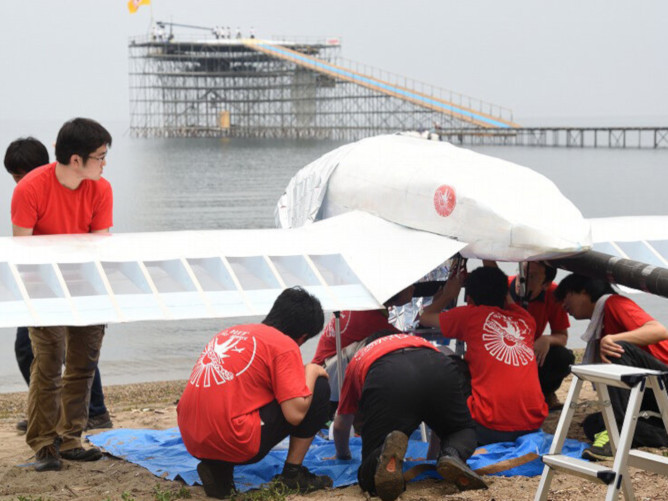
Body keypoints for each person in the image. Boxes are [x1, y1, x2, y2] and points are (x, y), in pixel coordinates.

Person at [11, 118, 113, 471]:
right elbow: (22, 253)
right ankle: (43, 444)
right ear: (75, 160)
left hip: (86, 287)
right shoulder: (29, 189)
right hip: (43, 288)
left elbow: (99, 246)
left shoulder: (101, 189)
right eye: (99, 157)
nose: (103, 163)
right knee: (48, 364)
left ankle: (71, 439)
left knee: (84, 365)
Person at [177, 287, 333, 499]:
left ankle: (218, 469)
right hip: (236, 441)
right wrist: (311, 370)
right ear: (303, 336)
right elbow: (295, 414)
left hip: (191, 436)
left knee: (240, 398)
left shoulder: (228, 333)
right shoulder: (284, 344)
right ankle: (292, 474)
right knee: (319, 387)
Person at [332, 333, 486, 501]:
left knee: (369, 473)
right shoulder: (416, 340)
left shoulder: (360, 356)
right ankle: (453, 454)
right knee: (460, 429)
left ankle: (381, 457)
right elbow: (439, 420)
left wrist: (343, 455)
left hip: (388, 375)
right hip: (438, 365)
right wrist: (434, 457)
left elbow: (341, 424)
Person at [419, 266, 548, 446]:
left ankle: (443, 448)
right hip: (532, 424)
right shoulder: (525, 319)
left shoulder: (469, 315)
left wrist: (448, 294)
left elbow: (424, 317)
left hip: (489, 428)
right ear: (505, 294)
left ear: (469, 298)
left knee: (446, 358)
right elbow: (507, 298)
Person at [554, 273, 668, 459]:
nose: (563, 305)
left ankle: (618, 432)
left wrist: (615, 338)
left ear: (584, 291)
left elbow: (659, 330)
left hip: (663, 380)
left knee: (618, 348)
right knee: (593, 423)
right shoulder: (601, 323)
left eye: (565, 296)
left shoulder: (613, 303)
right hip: (652, 390)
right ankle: (656, 435)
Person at [485, 260, 574, 410]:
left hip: (530, 353)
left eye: (532, 276)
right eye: (522, 270)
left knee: (563, 357)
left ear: (545, 284)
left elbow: (562, 336)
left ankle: (544, 393)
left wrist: (546, 339)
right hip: (501, 353)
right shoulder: (501, 287)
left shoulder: (552, 293)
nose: (522, 278)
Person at [310, 286, 413, 412]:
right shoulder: (370, 320)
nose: (413, 287)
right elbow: (410, 343)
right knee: (386, 347)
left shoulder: (362, 305)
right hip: (328, 383)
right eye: (408, 285)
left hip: (325, 374)